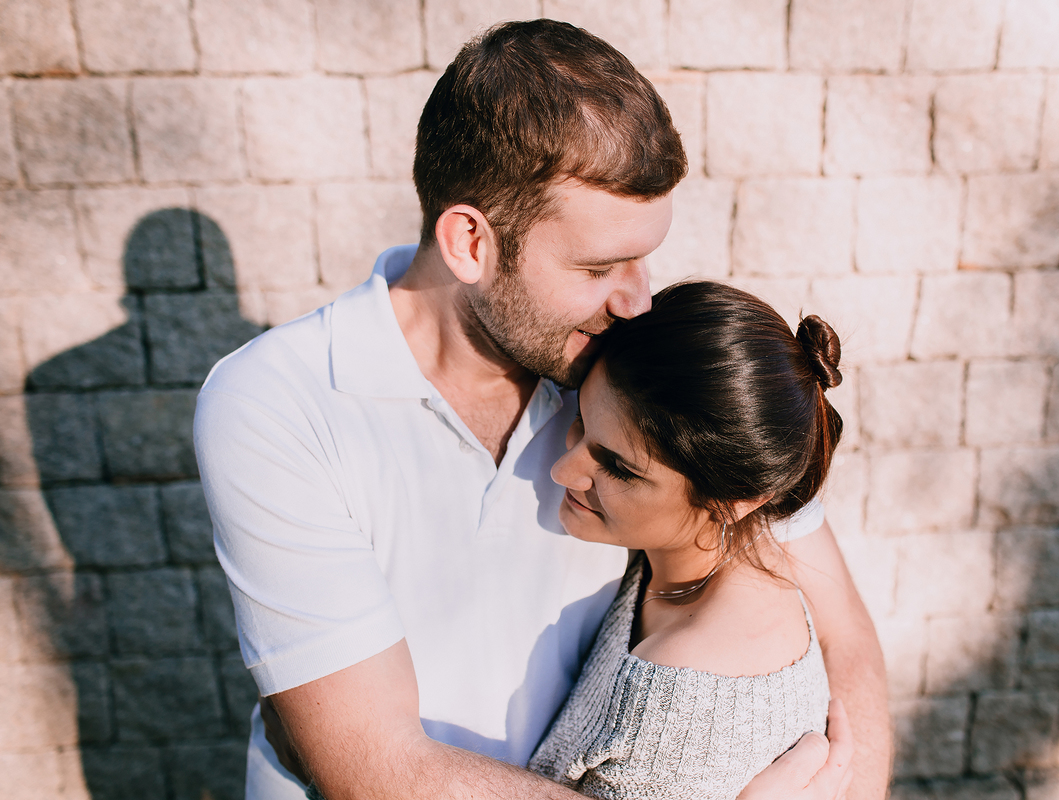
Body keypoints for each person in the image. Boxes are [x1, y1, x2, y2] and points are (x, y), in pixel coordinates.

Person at [194, 19, 889, 800]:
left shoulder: (630, 364)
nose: (637, 298)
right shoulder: (279, 405)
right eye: (600, 265)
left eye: (643, 257)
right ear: (470, 242)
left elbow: (847, 635)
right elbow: (376, 770)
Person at [526, 281, 844, 799]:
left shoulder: (678, 697)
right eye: (580, 422)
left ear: (729, 501)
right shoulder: (718, 559)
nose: (564, 471)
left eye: (618, 468)